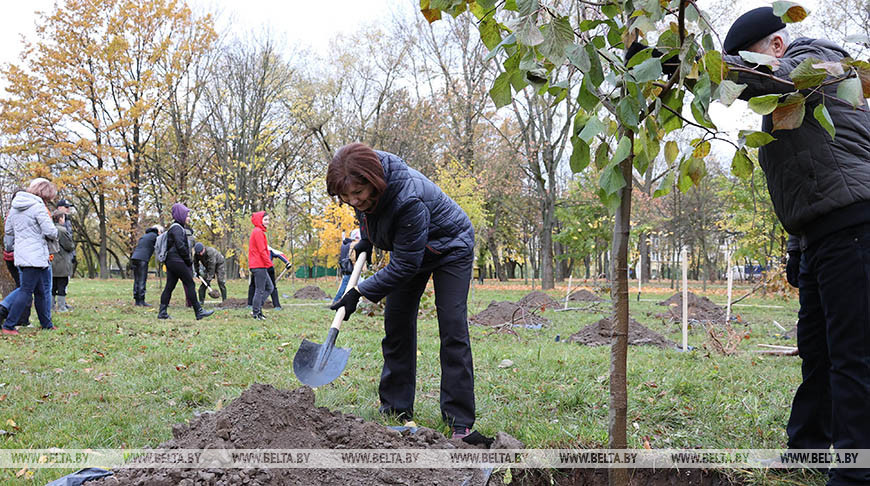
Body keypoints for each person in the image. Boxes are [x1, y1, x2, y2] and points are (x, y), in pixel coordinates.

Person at [722, 8, 870, 485]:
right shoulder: (785, 104)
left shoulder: (818, 67)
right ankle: (807, 450)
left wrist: (685, 65)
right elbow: (803, 180)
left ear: (778, 46)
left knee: (854, 356)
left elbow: (771, 81)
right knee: (817, 352)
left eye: (748, 59)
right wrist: (795, 247)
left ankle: (853, 473)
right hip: (818, 238)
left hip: (856, 228)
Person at [327, 143, 478, 440]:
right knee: (396, 324)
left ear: (373, 181)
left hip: (450, 247)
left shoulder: (409, 198)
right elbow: (373, 216)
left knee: (452, 328)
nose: (354, 202)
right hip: (411, 247)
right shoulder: (365, 191)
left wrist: (358, 292)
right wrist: (368, 241)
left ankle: (459, 419)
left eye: (357, 194)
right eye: (346, 198)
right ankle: (396, 409)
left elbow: (406, 265)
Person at [2, 178, 58, 334]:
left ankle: (46, 324)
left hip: (22, 254)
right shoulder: (38, 207)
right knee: (25, 291)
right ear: (43, 194)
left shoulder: (15, 207)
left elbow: (8, 230)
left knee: (39, 291)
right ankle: (9, 325)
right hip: (36, 256)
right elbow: (50, 231)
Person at [157, 203, 213, 321]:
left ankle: (162, 312)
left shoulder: (176, 227)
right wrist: (188, 261)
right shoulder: (177, 228)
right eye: (187, 214)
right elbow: (181, 247)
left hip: (171, 261)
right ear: (181, 215)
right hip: (177, 260)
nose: (188, 217)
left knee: (169, 286)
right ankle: (199, 311)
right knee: (190, 284)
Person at [248, 211, 273, 320]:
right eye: (265, 220)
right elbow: (262, 250)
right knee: (260, 290)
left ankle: (257, 309)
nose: (268, 222)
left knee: (269, 287)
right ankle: (256, 312)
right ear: (260, 220)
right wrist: (269, 264)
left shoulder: (259, 231)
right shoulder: (258, 232)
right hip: (258, 265)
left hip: (260, 265)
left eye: (268, 220)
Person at [247, 246, 287, 311]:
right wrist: (287, 262)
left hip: (259, 268)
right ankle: (277, 305)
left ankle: (251, 304)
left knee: (254, 286)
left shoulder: (259, 248)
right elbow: (280, 254)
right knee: (271, 287)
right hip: (264, 267)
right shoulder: (269, 249)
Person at [130, 225, 161, 306]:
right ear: (158, 231)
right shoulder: (155, 236)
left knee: (137, 279)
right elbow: (160, 247)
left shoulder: (145, 236)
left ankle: (137, 300)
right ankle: (141, 301)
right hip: (143, 259)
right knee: (142, 280)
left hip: (134, 257)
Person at [50, 210, 74, 312]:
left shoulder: (49, 229)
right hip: (62, 262)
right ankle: (61, 307)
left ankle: (50, 306)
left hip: (52, 261)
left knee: (52, 286)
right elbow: (69, 246)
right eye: (64, 217)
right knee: (62, 285)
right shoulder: (62, 230)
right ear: (60, 218)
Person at [333, 228, 360, 303]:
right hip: (351, 267)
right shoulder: (353, 245)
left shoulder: (344, 244)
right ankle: (336, 300)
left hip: (345, 267)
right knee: (347, 285)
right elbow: (353, 258)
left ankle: (338, 300)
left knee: (345, 284)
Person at [55, 198, 76, 276]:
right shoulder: (53, 219)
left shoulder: (67, 221)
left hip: (66, 256)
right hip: (57, 256)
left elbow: (70, 238)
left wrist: (73, 254)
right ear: (59, 208)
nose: (68, 209)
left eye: (69, 207)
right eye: (66, 207)